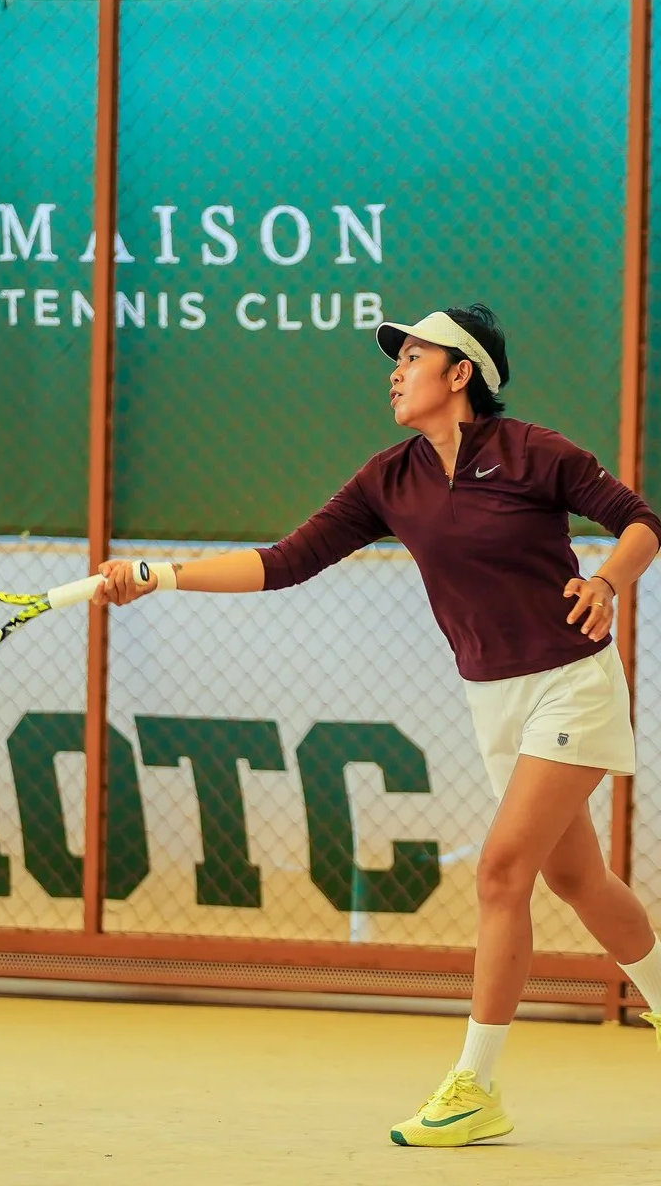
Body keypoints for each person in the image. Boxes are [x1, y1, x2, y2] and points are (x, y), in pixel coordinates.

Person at [93, 304, 661, 1147]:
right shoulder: (386, 479)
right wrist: (159, 572)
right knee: (578, 881)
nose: (395, 371)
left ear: (460, 373)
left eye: (414, 356)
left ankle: (476, 1088)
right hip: (493, 697)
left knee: (502, 872)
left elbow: (643, 520)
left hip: (569, 685)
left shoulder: (535, 454)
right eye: (396, 360)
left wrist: (609, 580)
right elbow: (285, 562)